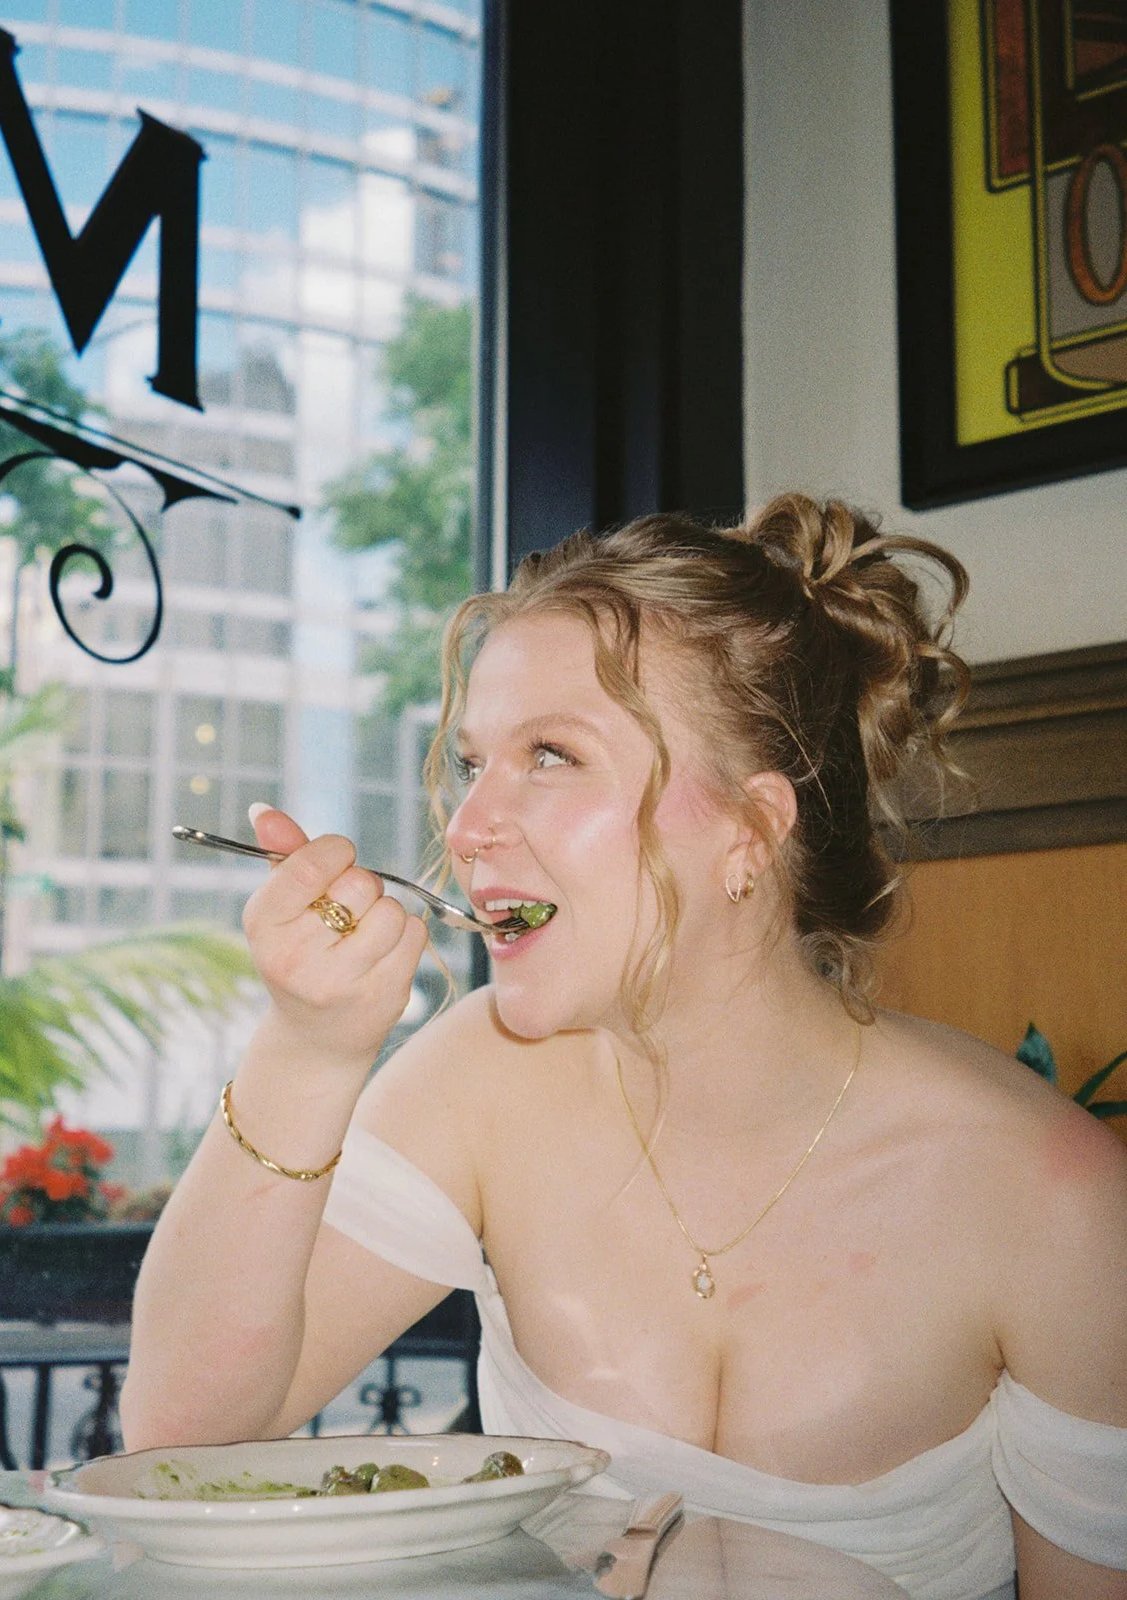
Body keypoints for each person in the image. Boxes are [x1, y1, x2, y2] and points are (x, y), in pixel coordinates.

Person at [122, 494, 1127, 1600]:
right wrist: (307, 1050)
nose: (464, 828)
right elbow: (183, 1437)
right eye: (472, 762)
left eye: (551, 754)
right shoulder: (482, 1079)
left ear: (750, 829)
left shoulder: (1051, 1199)